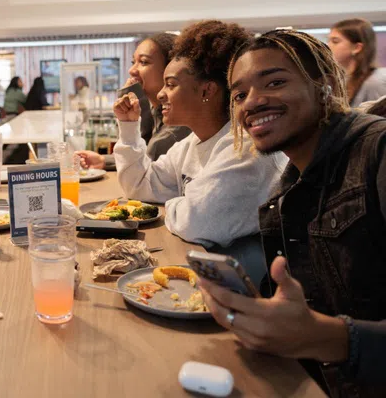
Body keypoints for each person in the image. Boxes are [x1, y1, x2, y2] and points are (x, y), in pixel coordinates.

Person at [201, 29, 386, 397]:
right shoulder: (288, 189)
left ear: (325, 83)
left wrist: (331, 338)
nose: (252, 102)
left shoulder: (377, 151)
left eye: (275, 81)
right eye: (240, 95)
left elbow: (324, 333)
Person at [112, 20, 288, 283]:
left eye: (171, 84)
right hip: (210, 275)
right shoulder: (192, 143)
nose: (160, 94)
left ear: (207, 90)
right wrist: (128, 128)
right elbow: (140, 186)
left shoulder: (246, 149)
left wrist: (179, 202)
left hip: (245, 294)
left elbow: (195, 222)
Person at [79, 33, 191, 167]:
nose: (132, 70)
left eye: (143, 62)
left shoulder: (177, 125)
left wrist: (133, 98)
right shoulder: (157, 112)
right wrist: (104, 161)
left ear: (170, 69)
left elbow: (141, 164)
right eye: (133, 62)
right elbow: (138, 153)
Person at [327, 18, 386, 107]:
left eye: (335, 41)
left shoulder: (375, 81)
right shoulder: (342, 80)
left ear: (357, 48)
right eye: (329, 40)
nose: (328, 46)